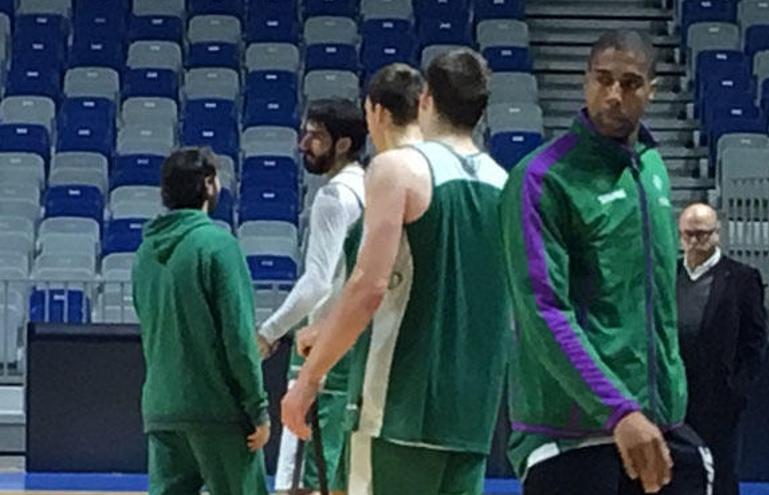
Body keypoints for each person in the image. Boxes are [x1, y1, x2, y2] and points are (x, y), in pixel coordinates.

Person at [282, 49, 510, 495]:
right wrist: (328, 326)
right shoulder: (506, 182)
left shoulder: (397, 168)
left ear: (426, 99)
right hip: (474, 410)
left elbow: (370, 285)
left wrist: (308, 380)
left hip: (400, 403)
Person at [498, 30, 713, 495]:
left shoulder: (651, 167)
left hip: (657, 426)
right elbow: (544, 310)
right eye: (603, 80)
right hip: (571, 434)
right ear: (584, 82)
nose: (615, 95)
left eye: (631, 83)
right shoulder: (541, 178)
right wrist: (619, 409)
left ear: (652, 90)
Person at [132, 148, 270, 495]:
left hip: (161, 408)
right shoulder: (218, 245)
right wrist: (258, 407)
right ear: (208, 184)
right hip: (216, 409)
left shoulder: (144, 252)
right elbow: (238, 338)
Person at [258, 98, 368, 495]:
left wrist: (269, 331)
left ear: (342, 144)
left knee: (300, 479)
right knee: (342, 476)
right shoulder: (374, 188)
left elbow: (318, 282)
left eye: (316, 136)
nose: (304, 143)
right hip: (359, 344)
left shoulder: (334, 197)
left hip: (322, 349)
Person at [677, 203, 768, 495]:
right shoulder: (668, 276)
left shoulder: (742, 278)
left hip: (719, 401)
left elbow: (754, 341)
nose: (694, 240)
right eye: (689, 234)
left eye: (702, 234)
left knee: (721, 475)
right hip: (674, 397)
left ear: (717, 234)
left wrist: (737, 389)